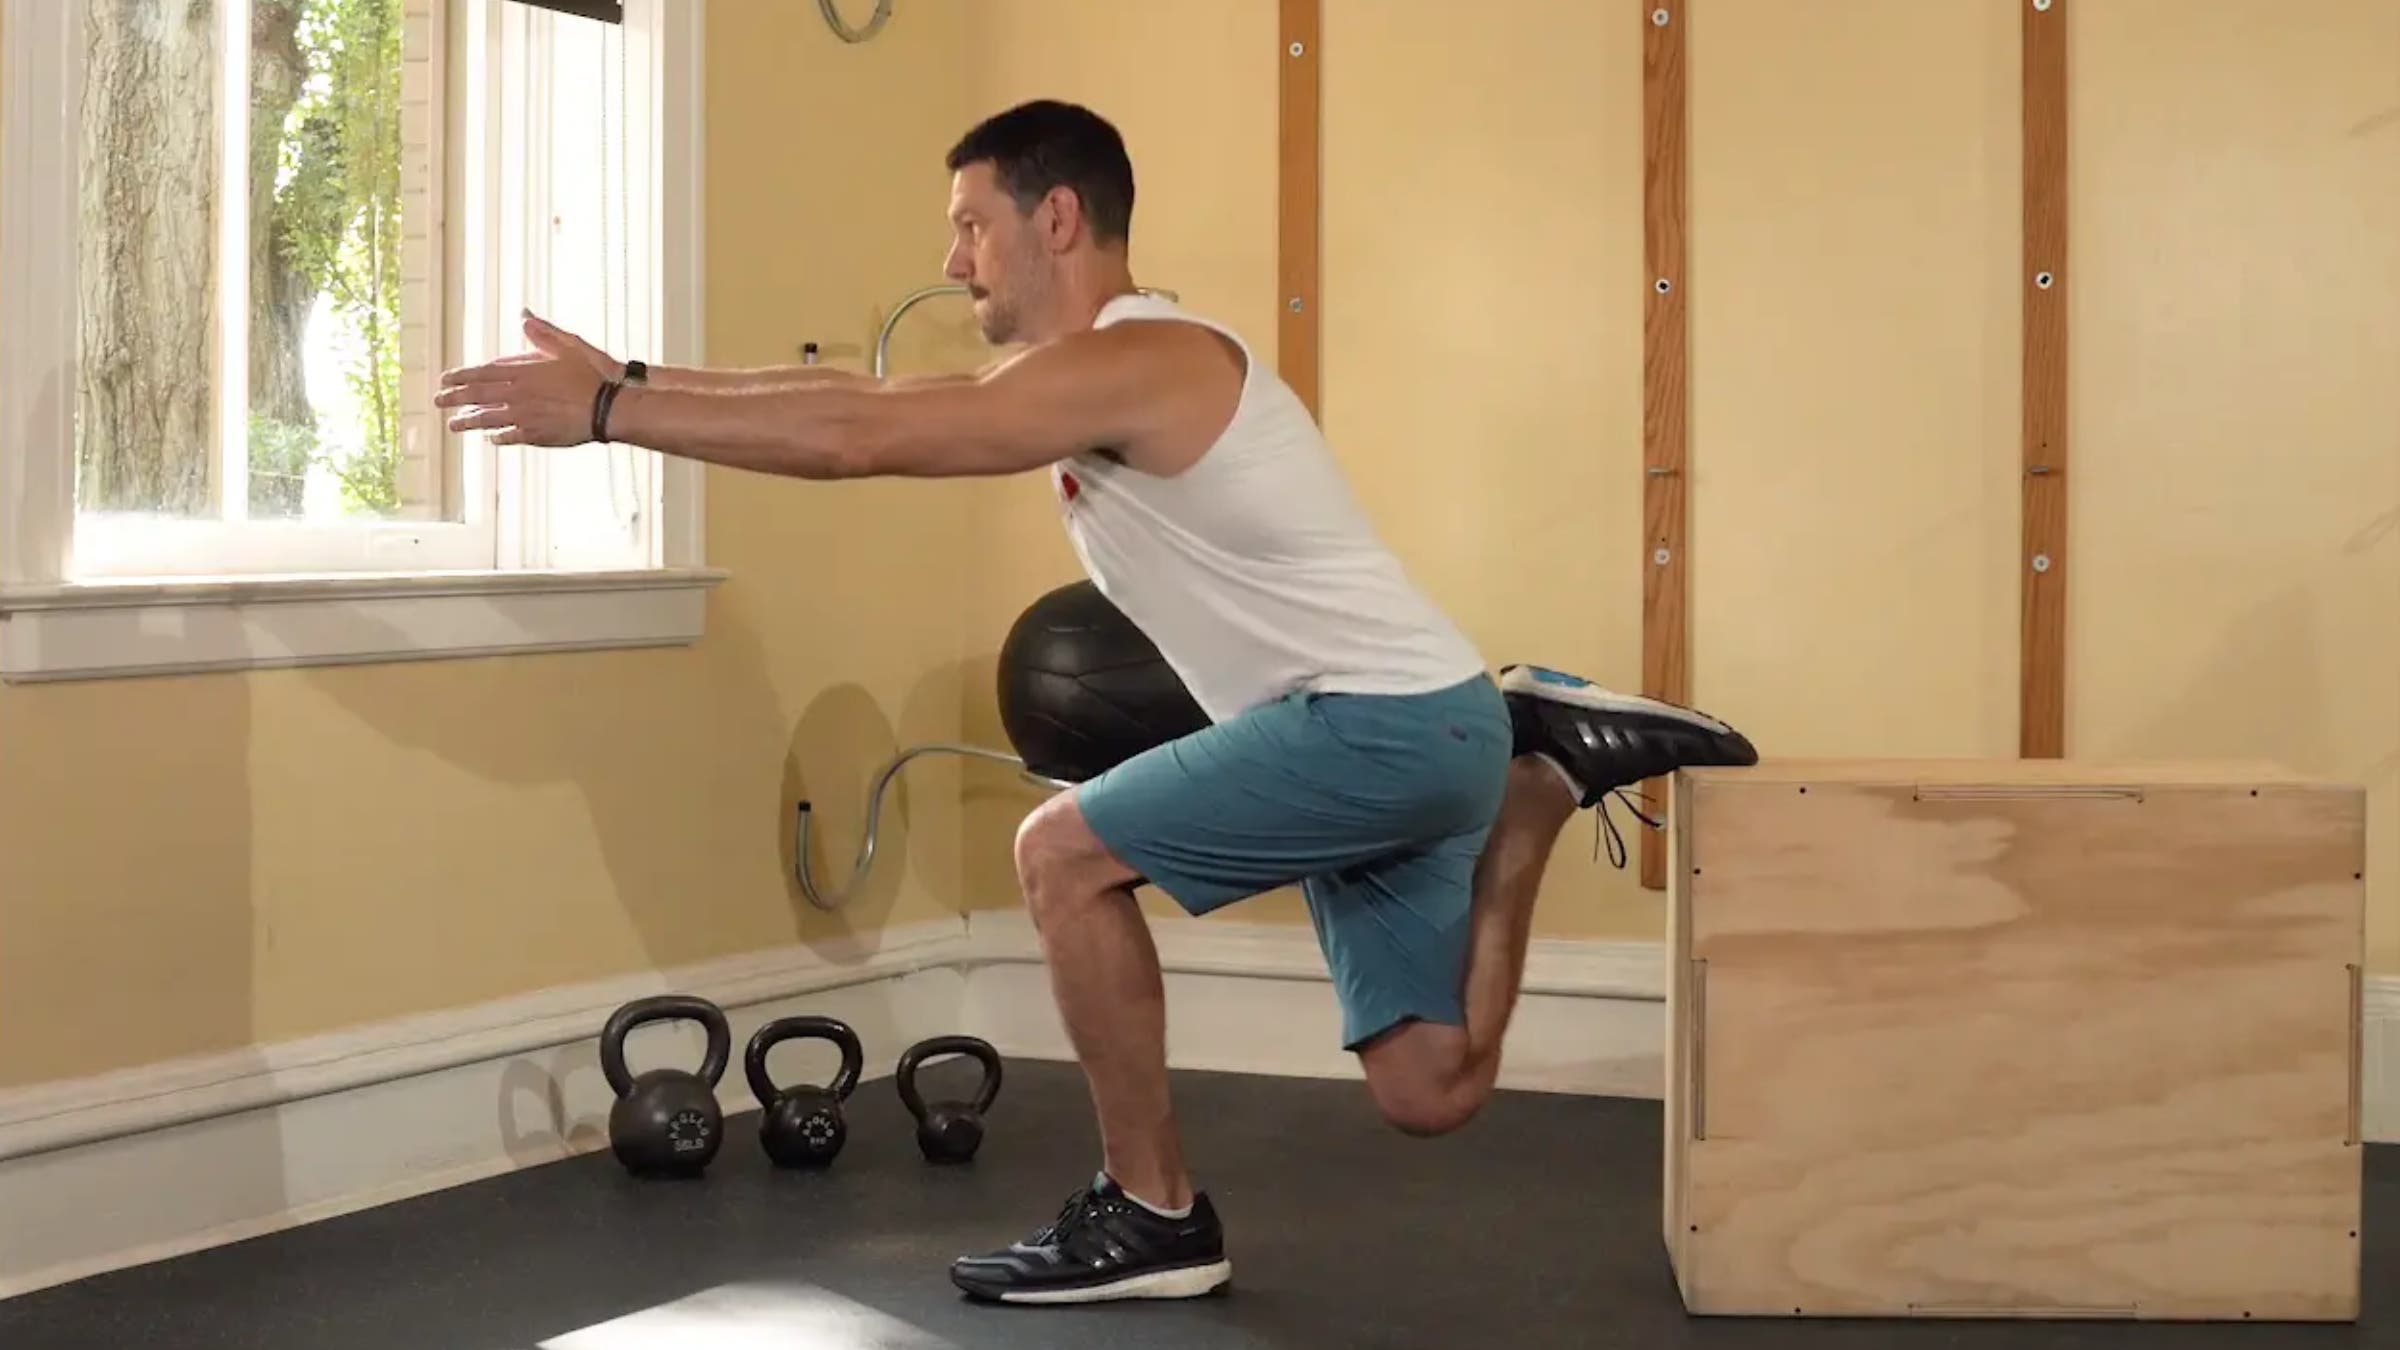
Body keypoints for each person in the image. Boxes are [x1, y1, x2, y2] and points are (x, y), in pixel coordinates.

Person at [438, 99, 1755, 1307]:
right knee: (1430, 1088)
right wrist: (641, 378)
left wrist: (610, 415)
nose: (956, 262)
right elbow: (865, 398)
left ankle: (1152, 1211)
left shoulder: (1151, 358)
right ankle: (1537, 782)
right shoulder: (1088, 381)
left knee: (1058, 855)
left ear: (1055, 217)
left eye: (971, 226)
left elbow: (863, 438)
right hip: (1436, 721)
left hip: (1374, 721)